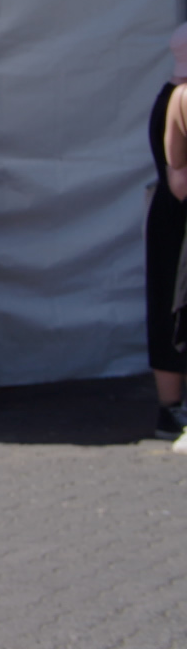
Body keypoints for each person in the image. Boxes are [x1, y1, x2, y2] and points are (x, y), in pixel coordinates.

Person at [149, 25, 187, 439]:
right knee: (173, 308)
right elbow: (178, 179)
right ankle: (171, 408)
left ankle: (171, 408)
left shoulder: (169, 96)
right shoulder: (179, 99)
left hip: (170, 216)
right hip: (177, 221)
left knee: (169, 308)